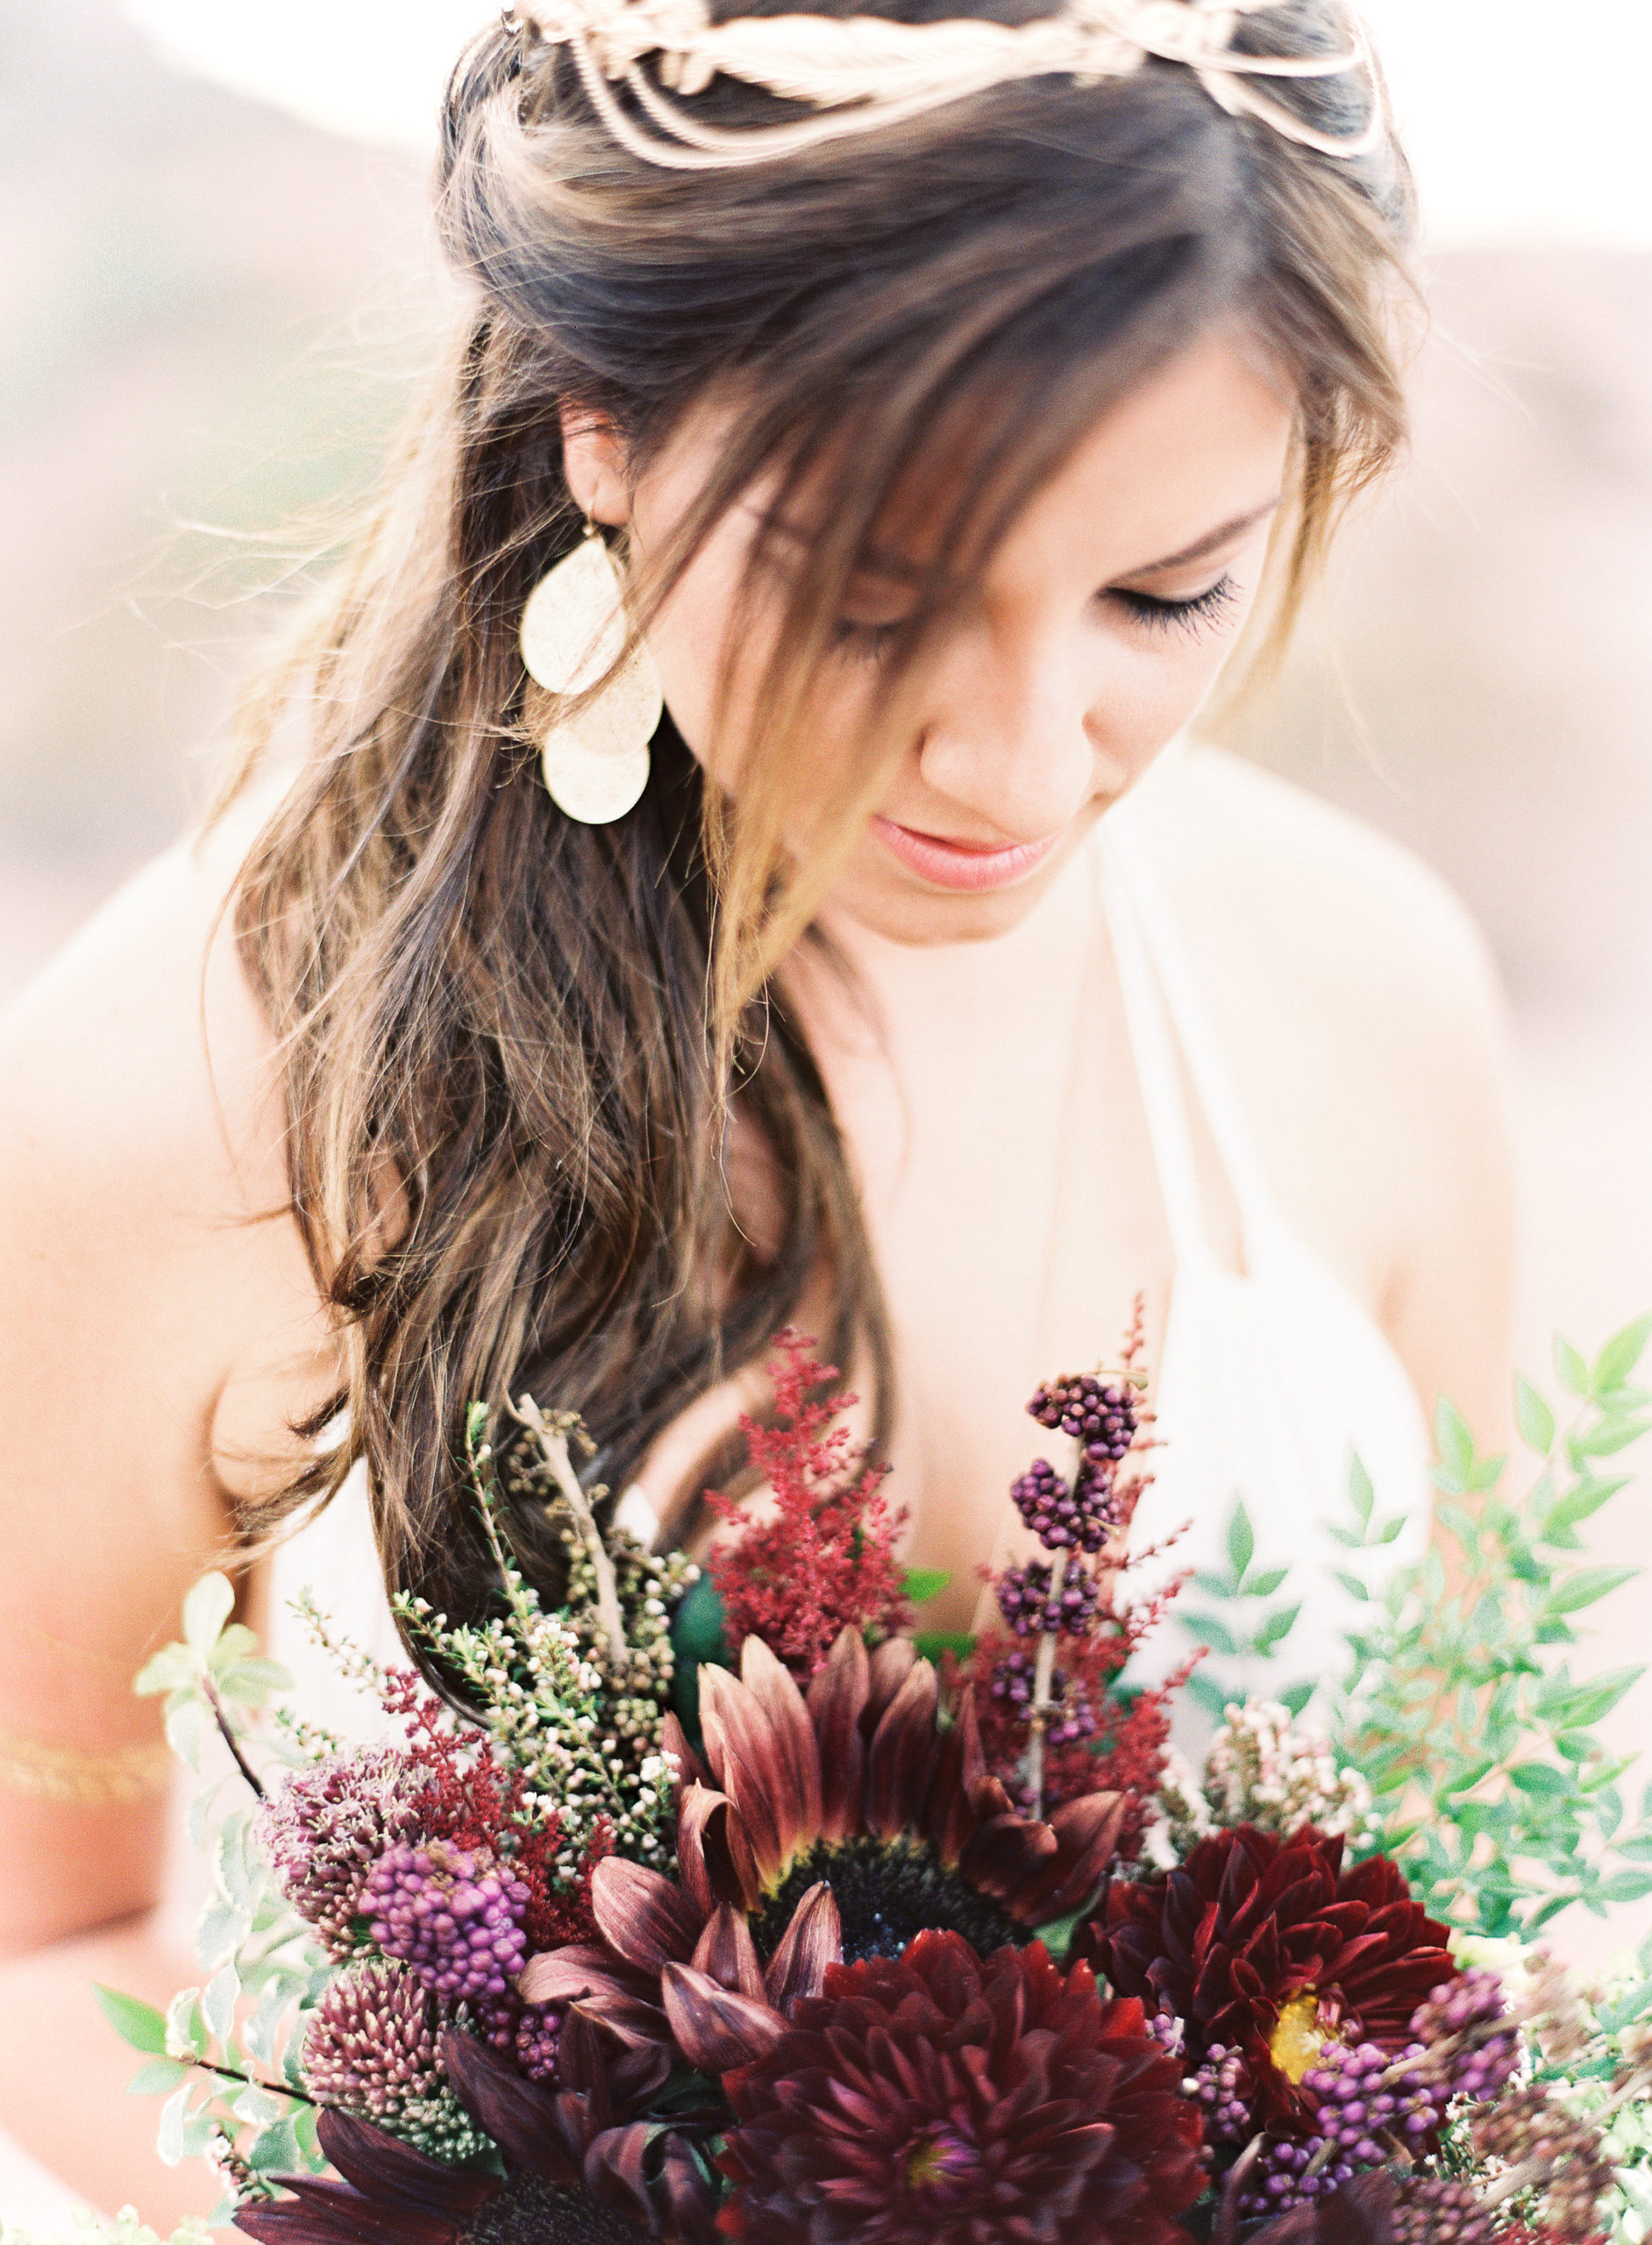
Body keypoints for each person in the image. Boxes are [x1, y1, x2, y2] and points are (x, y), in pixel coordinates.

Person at [0, 0, 1514, 2217]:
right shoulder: (204, 1101)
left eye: (1161, 589)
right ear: (603, 427)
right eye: (874, 602)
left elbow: (1460, 1881)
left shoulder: (1371, 987)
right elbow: (39, 1928)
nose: (1019, 760)